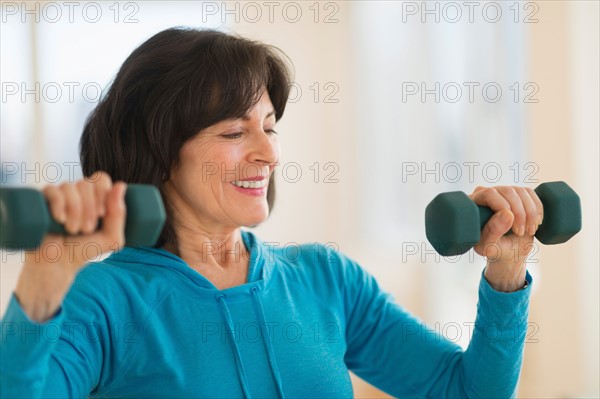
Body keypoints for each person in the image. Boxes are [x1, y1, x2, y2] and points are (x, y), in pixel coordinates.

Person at [1, 27, 540, 398]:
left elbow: (465, 390)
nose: (269, 152)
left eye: (269, 125)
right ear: (161, 154)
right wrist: (44, 279)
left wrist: (507, 274)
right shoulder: (104, 301)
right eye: (236, 132)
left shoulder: (325, 278)